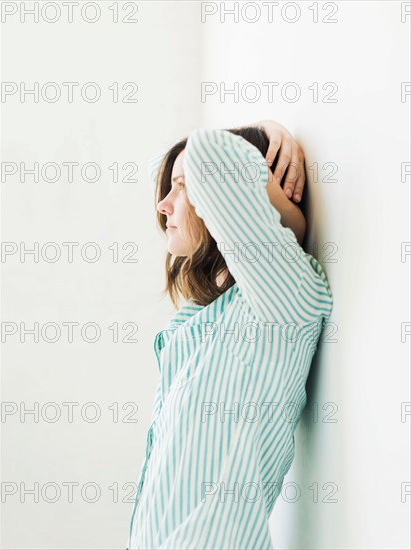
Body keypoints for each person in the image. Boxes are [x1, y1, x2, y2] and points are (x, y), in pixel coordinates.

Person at [127, 119, 333, 549]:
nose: (163, 204)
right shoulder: (207, 320)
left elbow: (207, 155)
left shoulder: (279, 298)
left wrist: (265, 139)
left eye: (182, 188)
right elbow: (162, 165)